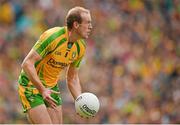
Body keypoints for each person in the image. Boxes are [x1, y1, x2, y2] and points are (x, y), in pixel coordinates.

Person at [18, 6, 92, 124]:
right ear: (76, 25)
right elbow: (27, 63)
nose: (90, 27)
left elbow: (72, 77)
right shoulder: (52, 37)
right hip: (30, 85)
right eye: (87, 23)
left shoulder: (80, 47)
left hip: (51, 88)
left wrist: (80, 101)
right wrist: (42, 90)